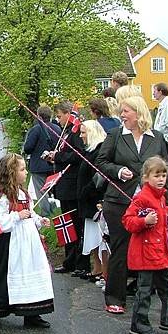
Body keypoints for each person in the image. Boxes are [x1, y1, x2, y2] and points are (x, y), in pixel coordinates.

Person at [95, 96, 168, 315]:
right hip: (119, 201)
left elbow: (166, 171)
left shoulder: (157, 138)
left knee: (155, 247)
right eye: (121, 111)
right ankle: (115, 297)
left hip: (152, 203)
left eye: (126, 111)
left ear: (139, 113)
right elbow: (100, 162)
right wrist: (117, 171)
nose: (122, 115)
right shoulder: (115, 135)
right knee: (121, 248)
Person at [0, 153, 54, 327]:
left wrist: (39, 220)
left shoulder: (23, 192)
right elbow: (0, 221)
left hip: (29, 241)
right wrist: (17, 216)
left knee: (33, 272)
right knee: (4, 274)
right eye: (22, 170)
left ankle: (33, 313)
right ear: (12, 173)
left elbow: (31, 212)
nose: (26, 173)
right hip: (12, 241)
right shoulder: (5, 196)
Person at [122, 157, 168, 334]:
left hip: (160, 252)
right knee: (144, 290)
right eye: (156, 175)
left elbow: (159, 222)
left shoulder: (161, 197)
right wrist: (144, 221)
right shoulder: (141, 198)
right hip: (145, 254)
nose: (161, 179)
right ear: (146, 177)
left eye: (163, 175)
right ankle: (138, 323)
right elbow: (128, 222)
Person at [51, 101, 89, 276]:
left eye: (59, 116)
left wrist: (58, 156)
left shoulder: (75, 131)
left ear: (68, 114)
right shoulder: (65, 132)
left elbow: (78, 155)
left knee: (74, 223)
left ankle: (76, 261)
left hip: (72, 185)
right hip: (63, 184)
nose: (58, 120)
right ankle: (69, 259)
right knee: (67, 223)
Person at [77, 120, 108, 282]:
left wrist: (85, 191)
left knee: (99, 238)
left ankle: (102, 271)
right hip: (87, 200)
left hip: (94, 199)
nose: (81, 136)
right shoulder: (90, 150)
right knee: (92, 237)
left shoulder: (99, 150)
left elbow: (99, 177)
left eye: (84, 132)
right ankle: (96, 267)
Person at [23, 105, 61, 217]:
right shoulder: (57, 128)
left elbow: (28, 148)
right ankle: (55, 211)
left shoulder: (36, 129)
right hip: (52, 163)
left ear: (38, 115)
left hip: (38, 165)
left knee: (41, 191)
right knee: (52, 189)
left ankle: (46, 213)